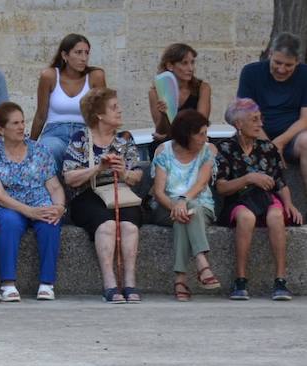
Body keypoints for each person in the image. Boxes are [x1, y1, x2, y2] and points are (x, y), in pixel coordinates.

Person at [61, 88, 144, 304]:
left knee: (130, 226)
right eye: (114, 108)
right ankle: (109, 283)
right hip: (88, 195)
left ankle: (129, 282)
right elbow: (69, 177)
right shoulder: (81, 138)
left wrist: (123, 172)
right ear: (99, 114)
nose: (120, 111)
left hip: (121, 193)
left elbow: (137, 175)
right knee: (106, 225)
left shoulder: (125, 140)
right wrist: (98, 168)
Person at [215, 98, 301, 301]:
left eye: (260, 119)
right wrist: (249, 178)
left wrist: (289, 204)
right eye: (254, 120)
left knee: (277, 215)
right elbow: (221, 187)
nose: (260, 124)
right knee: (246, 218)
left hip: (265, 199)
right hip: (238, 201)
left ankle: (280, 281)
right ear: (238, 124)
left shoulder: (267, 148)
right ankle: (240, 280)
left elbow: (280, 182)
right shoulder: (225, 148)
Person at [0, 102, 64, 301]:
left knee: (50, 221)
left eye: (22, 122)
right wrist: (29, 211)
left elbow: (54, 186)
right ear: (1, 129)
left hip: (39, 201)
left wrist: (59, 207)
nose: (21, 127)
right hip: (9, 205)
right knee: (9, 223)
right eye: (15, 123)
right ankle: (8, 284)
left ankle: (47, 283)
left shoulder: (40, 151)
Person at [150, 109, 220, 301]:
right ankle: (201, 262)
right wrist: (175, 205)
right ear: (186, 135)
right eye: (201, 134)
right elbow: (158, 192)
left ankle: (180, 279)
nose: (205, 138)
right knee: (185, 213)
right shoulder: (164, 151)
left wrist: (182, 201)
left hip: (200, 206)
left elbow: (200, 184)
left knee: (188, 213)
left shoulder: (209, 150)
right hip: (166, 207)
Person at [236, 32, 307, 188]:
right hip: (255, 134)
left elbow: (305, 119)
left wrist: (280, 142)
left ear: (298, 61)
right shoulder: (250, 72)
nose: (281, 70)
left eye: (288, 65)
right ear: (270, 54)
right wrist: (270, 146)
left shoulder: (305, 75)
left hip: (292, 138)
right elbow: (245, 114)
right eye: (277, 62)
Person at [32, 34, 108, 168]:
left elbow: (103, 113)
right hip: (55, 131)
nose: (83, 58)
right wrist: (30, 145)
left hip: (84, 133)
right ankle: (55, 188)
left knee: (88, 156)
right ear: (65, 55)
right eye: (78, 53)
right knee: (50, 148)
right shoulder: (49, 76)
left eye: (86, 53)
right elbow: (41, 115)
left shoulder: (95, 76)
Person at [148, 43, 211, 142]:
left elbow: (200, 124)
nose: (191, 68)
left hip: (194, 143)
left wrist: (170, 134)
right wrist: (164, 115)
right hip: (167, 147)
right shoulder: (155, 92)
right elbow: (161, 131)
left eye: (192, 62)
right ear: (170, 66)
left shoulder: (203, 88)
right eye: (184, 63)